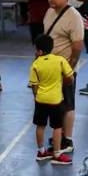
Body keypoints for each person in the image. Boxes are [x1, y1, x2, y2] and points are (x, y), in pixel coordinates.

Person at [43, 0, 85, 155]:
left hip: (65, 68)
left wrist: (69, 71)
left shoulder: (73, 17)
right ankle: (58, 135)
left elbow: (77, 47)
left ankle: (67, 140)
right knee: (55, 104)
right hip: (50, 69)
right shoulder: (49, 12)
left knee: (67, 105)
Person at [29, 34, 74, 164]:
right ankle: (57, 154)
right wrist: (63, 83)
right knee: (57, 127)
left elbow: (34, 85)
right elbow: (70, 77)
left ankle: (41, 152)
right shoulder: (60, 60)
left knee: (40, 126)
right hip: (56, 100)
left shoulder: (35, 64)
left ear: (39, 51)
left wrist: (36, 96)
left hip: (41, 100)